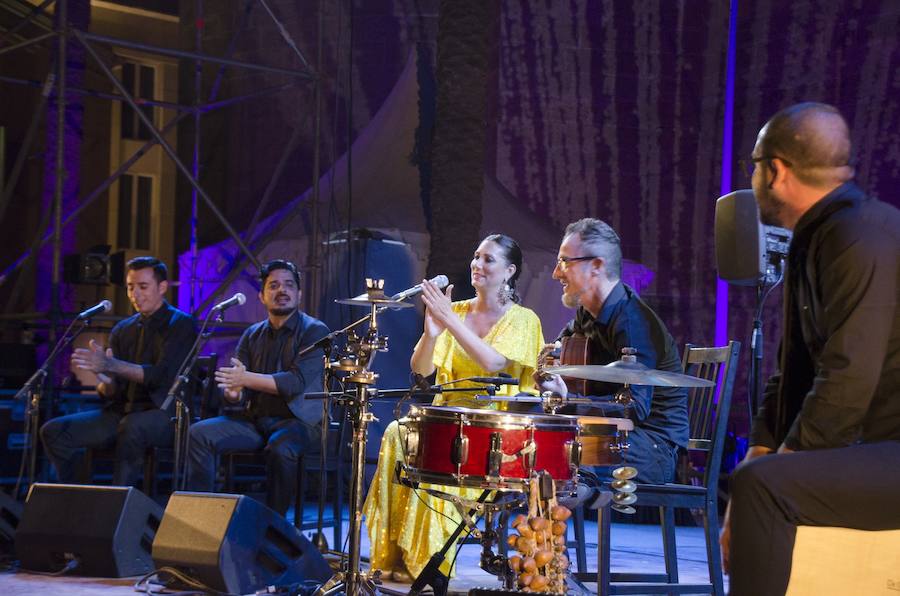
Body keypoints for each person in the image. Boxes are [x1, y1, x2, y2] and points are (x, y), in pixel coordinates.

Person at [721, 102, 900, 595]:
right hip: (881, 449)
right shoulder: (817, 235)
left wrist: (774, 470)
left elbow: (847, 378)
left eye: (754, 165)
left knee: (767, 490)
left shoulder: (861, 234)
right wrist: (758, 455)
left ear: (775, 170)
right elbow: (794, 370)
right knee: (753, 480)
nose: (752, 176)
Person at [363, 234, 545, 582]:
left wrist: (449, 320)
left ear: (509, 271)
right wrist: (432, 332)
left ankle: (425, 562)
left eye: (488, 259)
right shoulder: (455, 311)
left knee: (440, 451)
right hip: (447, 414)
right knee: (396, 432)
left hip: (492, 430)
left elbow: (493, 363)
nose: (477, 264)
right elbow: (421, 370)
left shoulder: (523, 319)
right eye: (476, 256)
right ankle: (393, 553)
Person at [537, 218, 689, 490]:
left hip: (652, 447)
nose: (556, 273)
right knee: (537, 440)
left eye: (564, 262)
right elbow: (559, 352)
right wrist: (549, 370)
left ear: (596, 266)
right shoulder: (587, 312)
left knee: (553, 451)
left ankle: (549, 530)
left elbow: (635, 407)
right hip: (622, 437)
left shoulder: (633, 322)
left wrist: (570, 399)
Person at [186, 259, 330, 516]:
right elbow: (235, 385)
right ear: (262, 296)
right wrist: (233, 394)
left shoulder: (315, 331)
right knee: (199, 434)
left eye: (288, 285)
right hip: (257, 420)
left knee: (280, 447)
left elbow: (294, 383)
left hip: (301, 422)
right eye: (273, 286)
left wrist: (245, 380)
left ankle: (274, 525)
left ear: (299, 293)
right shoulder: (252, 334)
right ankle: (200, 517)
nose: (281, 291)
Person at [42, 256, 196, 487]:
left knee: (132, 426)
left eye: (143, 287)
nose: (135, 294)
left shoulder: (181, 324)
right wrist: (106, 381)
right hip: (122, 411)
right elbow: (113, 390)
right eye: (130, 287)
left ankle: (119, 504)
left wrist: (111, 365)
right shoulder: (123, 329)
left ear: (162, 287)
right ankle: (78, 495)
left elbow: (160, 376)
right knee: (54, 431)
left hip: (164, 414)